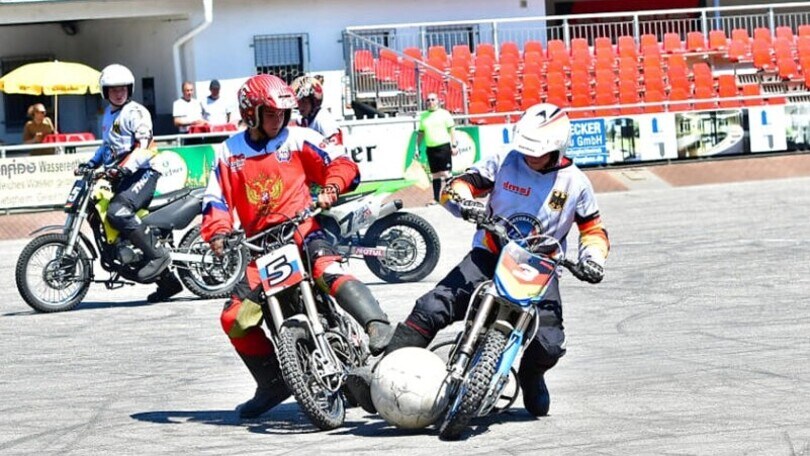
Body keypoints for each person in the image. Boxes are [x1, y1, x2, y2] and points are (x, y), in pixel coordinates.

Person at [347, 103, 610, 418]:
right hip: (491, 254)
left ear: (556, 149)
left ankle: (531, 375)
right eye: (525, 150)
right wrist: (465, 202)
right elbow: (457, 187)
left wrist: (593, 258)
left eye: (536, 153)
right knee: (432, 306)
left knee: (549, 343)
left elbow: (593, 230)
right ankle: (378, 374)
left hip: (539, 270)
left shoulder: (576, 183)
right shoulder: (504, 161)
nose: (528, 157)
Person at [201, 74, 393, 419]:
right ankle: (273, 382)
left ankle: (376, 323)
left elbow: (344, 164)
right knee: (233, 318)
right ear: (251, 113)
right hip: (260, 248)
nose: (279, 120)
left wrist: (333, 185)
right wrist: (217, 232)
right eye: (271, 113)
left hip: (303, 231)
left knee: (326, 269)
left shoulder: (302, 138)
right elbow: (214, 199)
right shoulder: (228, 153)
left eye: (283, 113)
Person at [74, 64, 183, 303]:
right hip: (123, 175)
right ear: (105, 92)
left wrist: (124, 169)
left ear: (130, 89)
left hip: (143, 172)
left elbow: (143, 146)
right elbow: (107, 148)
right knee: (105, 214)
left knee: (118, 212)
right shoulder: (108, 116)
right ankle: (168, 282)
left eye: (122, 88)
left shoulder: (135, 112)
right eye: (113, 89)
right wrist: (90, 164)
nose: (118, 93)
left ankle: (157, 256)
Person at [417, 93, 458, 204]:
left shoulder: (444, 114)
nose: (430, 102)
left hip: (443, 147)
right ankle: (436, 198)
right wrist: (417, 147)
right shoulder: (423, 116)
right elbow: (421, 133)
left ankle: (453, 196)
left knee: (446, 173)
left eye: (433, 99)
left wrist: (454, 145)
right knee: (435, 175)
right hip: (431, 149)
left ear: (437, 101)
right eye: (428, 100)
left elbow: (452, 130)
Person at [290, 75, 342, 145]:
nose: (300, 106)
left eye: (304, 101)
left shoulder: (324, 120)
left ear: (314, 102)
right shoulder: (305, 120)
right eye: (298, 102)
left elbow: (337, 149)